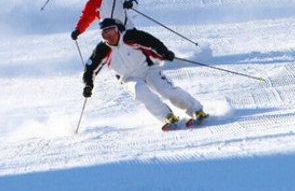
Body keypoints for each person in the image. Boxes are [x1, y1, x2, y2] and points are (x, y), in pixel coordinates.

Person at [81, 18, 209, 131]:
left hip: (148, 69)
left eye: (112, 32)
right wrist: (88, 85)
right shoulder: (102, 49)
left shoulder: (130, 37)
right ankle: (167, 116)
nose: (110, 37)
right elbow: (89, 69)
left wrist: (164, 52)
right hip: (128, 78)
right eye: (105, 34)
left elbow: (152, 42)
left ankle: (196, 110)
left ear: (117, 30)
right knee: (140, 92)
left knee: (165, 89)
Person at [71, 0, 137, 41]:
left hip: (127, 28)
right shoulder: (92, 3)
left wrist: (131, 3)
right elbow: (86, 17)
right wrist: (78, 30)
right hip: (110, 35)